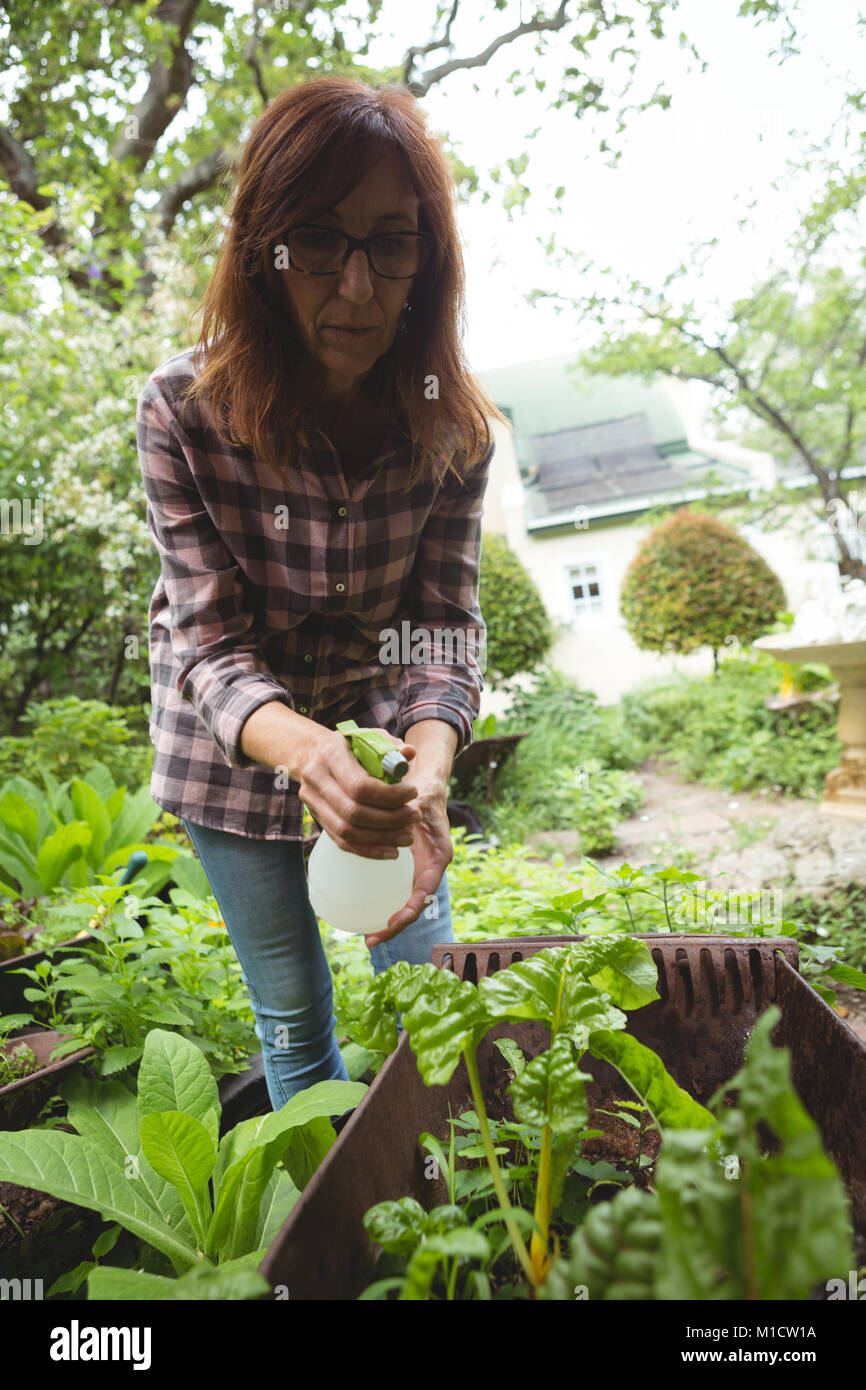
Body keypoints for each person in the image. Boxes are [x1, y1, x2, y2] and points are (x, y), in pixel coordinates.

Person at [136, 74, 508, 1110]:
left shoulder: (450, 427)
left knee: (431, 996)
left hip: (380, 739)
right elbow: (207, 642)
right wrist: (306, 753)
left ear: (423, 261)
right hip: (230, 744)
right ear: (265, 246)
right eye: (318, 238)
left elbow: (440, 623)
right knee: (296, 1024)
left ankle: (441, 1194)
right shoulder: (182, 412)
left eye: (389, 242)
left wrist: (425, 766)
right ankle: (326, 1248)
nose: (354, 287)